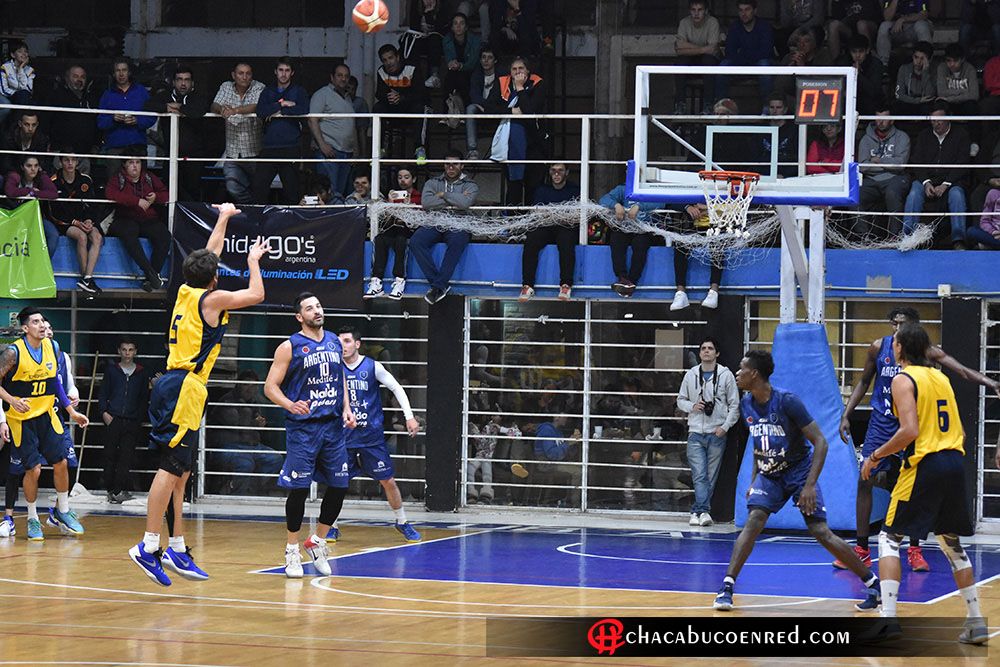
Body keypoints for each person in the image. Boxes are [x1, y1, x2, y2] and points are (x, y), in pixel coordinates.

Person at [128, 203, 268, 587]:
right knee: (171, 466)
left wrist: (224, 216)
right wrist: (253, 260)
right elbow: (256, 294)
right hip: (184, 386)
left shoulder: (186, 291)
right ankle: (148, 545)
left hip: (180, 384)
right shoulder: (211, 300)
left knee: (183, 470)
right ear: (214, 279)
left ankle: (176, 545)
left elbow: (211, 252)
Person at [713, 350, 881, 612]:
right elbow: (760, 443)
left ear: (754, 374)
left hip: (799, 471)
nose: (737, 373)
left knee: (820, 531)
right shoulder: (746, 404)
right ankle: (727, 587)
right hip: (770, 474)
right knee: (754, 520)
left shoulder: (787, 401)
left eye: (741, 368)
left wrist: (809, 485)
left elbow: (821, 442)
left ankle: (872, 583)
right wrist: (754, 480)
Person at [837, 307, 999, 572]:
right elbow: (864, 382)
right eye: (894, 323)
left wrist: (990, 383)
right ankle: (862, 549)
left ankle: (914, 549)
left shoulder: (925, 353)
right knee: (864, 481)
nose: (897, 328)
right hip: (882, 423)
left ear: (914, 326)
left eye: (903, 324)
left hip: (910, 425)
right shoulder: (878, 347)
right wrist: (846, 414)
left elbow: (961, 370)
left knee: (915, 488)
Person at [860, 323, 988, 645]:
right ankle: (976, 622)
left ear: (900, 348)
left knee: (889, 539)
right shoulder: (941, 378)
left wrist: (874, 456)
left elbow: (910, 431)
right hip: (955, 462)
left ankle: (888, 622)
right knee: (950, 543)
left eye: (895, 343)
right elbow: (954, 427)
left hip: (925, 464)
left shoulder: (903, 379)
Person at [263, 293, 356, 579]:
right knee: (299, 489)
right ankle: (292, 550)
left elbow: (340, 377)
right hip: (303, 429)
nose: (316, 311)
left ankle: (317, 541)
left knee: (340, 485)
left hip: (333, 427)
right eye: (309, 308)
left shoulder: (334, 341)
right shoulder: (289, 346)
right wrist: (290, 404)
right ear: (299, 316)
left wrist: (347, 407)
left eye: (318, 306)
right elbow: (270, 387)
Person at [0, 307, 89, 541]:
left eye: (42, 321)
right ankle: (32, 517)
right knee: (34, 470)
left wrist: (72, 412)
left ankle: (63, 510)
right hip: (22, 419)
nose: (41, 325)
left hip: (47, 414)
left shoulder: (53, 346)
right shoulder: (13, 353)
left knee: (62, 462)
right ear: (25, 328)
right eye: (35, 322)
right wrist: (12, 400)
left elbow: (55, 384)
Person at [331, 327, 421, 542]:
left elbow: (396, 388)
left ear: (357, 344)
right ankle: (331, 525)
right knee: (337, 483)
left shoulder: (373, 366)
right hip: (343, 437)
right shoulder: (333, 368)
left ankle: (402, 521)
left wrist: (409, 417)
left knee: (388, 480)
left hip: (371, 437)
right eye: (339, 342)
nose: (342, 346)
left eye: (346, 341)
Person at [675, 337, 739, 527]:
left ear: (717, 353)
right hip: (695, 432)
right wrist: (692, 406)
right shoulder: (691, 375)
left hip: (716, 433)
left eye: (710, 348)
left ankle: (699, 512)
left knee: (710, 476)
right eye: (703, 348)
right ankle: (702, 511)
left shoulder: (726, 375)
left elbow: (734, 405)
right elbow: (680, 400)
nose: (706, 351)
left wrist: (725, 427)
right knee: (699, 475)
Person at [409, 150, 479, 304]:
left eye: (455, 164)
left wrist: (443, 195)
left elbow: (465, 203)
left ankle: (437, 287)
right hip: (435, 222)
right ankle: (440, 285)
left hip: (460, 223)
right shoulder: (432, 182)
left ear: (462, 165)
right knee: (416, 242)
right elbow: (427, 203)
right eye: (447, 164)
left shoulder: (470, 185)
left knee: (457, 242)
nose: (451, 167)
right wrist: (456, 199)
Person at [902, 102, 971, 248]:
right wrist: (926, 182)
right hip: (927, 180)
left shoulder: (961, 135)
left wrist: (946, 184)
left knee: (957, 195)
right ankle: (908, 237)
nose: (936, 123)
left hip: (952, 181)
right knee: (914, 193)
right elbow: (917, 161)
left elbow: (963, 163)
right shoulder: (924, 135)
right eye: (933, 120)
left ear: (948, 118)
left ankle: (958, 239)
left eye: (940, 119)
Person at [209, 370, 282, 495]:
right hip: (230, 446)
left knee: (275, 459)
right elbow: (237, 425)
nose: (250, 389)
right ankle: (238, 495)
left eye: (253, 386)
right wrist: (254, 423)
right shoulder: (227, 401)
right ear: (238, 385)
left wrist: (261, 424)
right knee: (245, 463)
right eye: (245, 384)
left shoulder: (255, 402)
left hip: (253, 447)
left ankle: (252, 489)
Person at [144, 65, 210, 202]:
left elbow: (199, 110)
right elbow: (148, 105)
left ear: (192, 83)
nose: (183, 83)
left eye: (187, 80)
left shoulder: (198, 97)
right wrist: (166, 107)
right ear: (174, 82)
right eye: (179, 79)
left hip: (193, 156)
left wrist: (180, 107)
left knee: (193, 192)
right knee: (169, 190)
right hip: (171, 155)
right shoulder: (165, 96)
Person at [105, 158, 172, 291]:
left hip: (147, 219)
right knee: (129, 232)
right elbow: (110, 194)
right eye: (131, 163)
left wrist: (156, 197)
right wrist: (136, 201)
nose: (135, 166)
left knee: (164, 236)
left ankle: (150, 278)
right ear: (124, 165)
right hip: (124, 218)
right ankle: (150, 273)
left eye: (138, 162)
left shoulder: (149, 177)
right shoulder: (118, 178)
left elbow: (166, 194)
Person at [97, 337, 150, 504]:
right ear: (119, 351)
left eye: (130, 350)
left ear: (135, 352)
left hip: (132, 421)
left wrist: (138, 418)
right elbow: (103, 393)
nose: (127, 353)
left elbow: (144, 398)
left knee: (126, 457)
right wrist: (104, 413)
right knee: (109, 455)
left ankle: (119, 490)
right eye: (124, 349)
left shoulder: (141, 373)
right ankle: (109, 489)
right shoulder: (112, 370)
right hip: (113, 418)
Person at [519, 163, 581, 301]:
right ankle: (527, 285)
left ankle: (566, 285)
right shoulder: (542, 190)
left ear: (567, 172)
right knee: (530, 241)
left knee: (566, 243)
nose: (556, 174)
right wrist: (560, 214)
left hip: (565, 227)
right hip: (546, 226)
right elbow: (538, 213)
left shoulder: (575, 190)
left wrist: (552, 213)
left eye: (560, 170)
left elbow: (575, 215)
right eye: (553, 170)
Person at [252, 57, 308, 205]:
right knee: (259, 188)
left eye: (287, 70)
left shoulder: (299, 91)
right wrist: (281, 104)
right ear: (275, 72)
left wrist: (279, 112)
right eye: (281, 70)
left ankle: (291, 220)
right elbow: (260, 111)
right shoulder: (267, 91)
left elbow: (303, 109)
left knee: (292, 191)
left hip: (291, 147)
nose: (284, 74)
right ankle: (260, 219)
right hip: (269, 147)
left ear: (292, 73)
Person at [49, 153, 106, 294]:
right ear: (60, 162)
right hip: (65, 223)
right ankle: (85, 278)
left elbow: (92, 205)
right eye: (66, 160)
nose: (70, 163)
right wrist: (75, 222)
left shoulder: (85, 180)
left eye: (73, 160)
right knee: (82, 237)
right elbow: (53, 212)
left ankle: (87, 279)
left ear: (77, 162)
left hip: (83, 220)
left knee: (97, 237)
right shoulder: (53, 182)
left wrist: (89, 220)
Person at [211, 62, 265, 205]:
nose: (244, 77)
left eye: (248, 73)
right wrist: (221, 109)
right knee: (233, 187)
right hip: (232, 152)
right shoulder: (226, 86)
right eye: (241, 73)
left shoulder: (258, 86)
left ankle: (254, 210)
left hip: (254, 153)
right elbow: (214, 105)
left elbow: (256, 106)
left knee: (259, 189)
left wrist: (235, 110)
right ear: (233, 75)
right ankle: (251, 207)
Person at [497, 57, 547, 207]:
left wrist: (519, 88)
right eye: (514, 69)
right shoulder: (502, 83)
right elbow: (490, 108)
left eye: (521, 68)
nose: (518, 72)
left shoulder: (538, 84)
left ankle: (530, 221)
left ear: (528, 71)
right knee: (514, 187)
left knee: (533, 186)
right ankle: (513, 220)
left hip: (533, 142)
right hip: (510, 144)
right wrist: (511, 111)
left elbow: (529, 111)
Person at [366, 167, 421, 300]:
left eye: (406, 177)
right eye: (399, 177)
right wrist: (390, 203)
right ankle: (376, 281)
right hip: (393, 227)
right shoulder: (394, 195)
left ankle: (399, 280)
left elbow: (415, 222)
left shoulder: (418, 196)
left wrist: (408, 206)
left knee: (401, 240)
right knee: (379, 239)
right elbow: (387, 220)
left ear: (413, 179)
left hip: (408, 229)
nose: (402, 180)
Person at [857, 108, 911, 238]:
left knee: (892, 193)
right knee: (856, 195)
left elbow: (900, 165)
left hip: (895, 178)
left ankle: (894, 239)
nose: (880, 122)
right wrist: (888, 165)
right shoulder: (866, 139)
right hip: (871, 180)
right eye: (878, 118)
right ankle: (863, 239)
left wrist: (878, 161)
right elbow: (862, 167)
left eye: (884, 119)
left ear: (892, 120)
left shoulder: (902, 137)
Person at [598, 182, 659, 297]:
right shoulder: (623, 189)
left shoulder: (650, 188)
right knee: (616, 238)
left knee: (640, 244)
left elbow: (661, 202)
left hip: (645, 229)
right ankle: (622, 278)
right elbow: (603, 199)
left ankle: (632, 281)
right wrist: (616, 205)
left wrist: (639, 206)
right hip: (626, 228)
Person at [308, 63, 357, 199]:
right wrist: (322, 145)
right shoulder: (322, 94)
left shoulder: (347, 97)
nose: (343, 79)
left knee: (339, 194)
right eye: (339, 75)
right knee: (328, 193)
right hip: (329, 152)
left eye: (346, 76)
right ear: (332, 77)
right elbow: (312, 120)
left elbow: (351, 124)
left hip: (346, 153)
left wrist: (355, 149)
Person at [374, 44, 429, 162]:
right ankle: (380, 148)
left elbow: (421, 93)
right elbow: (379, 94)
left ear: (398, 57)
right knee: (377, 108)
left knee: (420, 107)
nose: (388, 63)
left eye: (391, 58)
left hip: (410, 110)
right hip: (393, 110)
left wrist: (402, 97)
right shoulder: (381, 71)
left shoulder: (411, 68)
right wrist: (389, 97)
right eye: (385, 60)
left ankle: (419, 148)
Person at [714, 0, 774, 103]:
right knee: (723, 66)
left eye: (747, 10)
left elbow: (766, 52)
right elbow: (729, 51)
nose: (743, 13)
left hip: (757, 64)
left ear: (755, 11)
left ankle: (767, 106)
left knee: (765, 65)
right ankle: (721, 105)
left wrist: (743, 54)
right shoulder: (735, 26)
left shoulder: (764, 27)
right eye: (741, 10)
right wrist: (746, 56)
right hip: (739, 63)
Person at [97, 58, 154, 166]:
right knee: (114, 177)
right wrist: (113, 119)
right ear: (113, 74)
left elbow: (152, 117)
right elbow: (100, 122)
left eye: (124, 70)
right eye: (118, 70)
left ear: (129, 72)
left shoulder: (141, 91)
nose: (121, 74)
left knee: (140, 177)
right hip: (114, 148)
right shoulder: (107, 95)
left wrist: (137, 120)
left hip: (137, 147)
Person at [4, 154, 60, 258]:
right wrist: (29, 191)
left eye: (36, 165)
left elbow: (54, 193)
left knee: (53, 235)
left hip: (36, 217)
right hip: (15, 216)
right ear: (22, 167)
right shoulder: (15, 176)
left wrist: (34, 193)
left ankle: (43, 263)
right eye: (29, 166)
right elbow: (10, 191)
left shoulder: (41, 177)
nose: (33, 169)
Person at [47, 65, 100, 171]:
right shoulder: (56, 97)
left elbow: (96, 123)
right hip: (61, 153)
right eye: (75, 76)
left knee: (84, 181)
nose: (79, 80)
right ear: (67, 78)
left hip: (84, 153)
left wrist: (96, 145)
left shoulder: (90, 99)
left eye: (82, 77)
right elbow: (47, 121)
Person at [673, 0, 721, 113]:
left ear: (706, 11)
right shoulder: (684, 22)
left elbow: (713, 50)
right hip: (690, 62)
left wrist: (687, 47)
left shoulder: (712, 22)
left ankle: (708, 105)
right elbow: (678, 48)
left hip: (708, 62)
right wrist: (703, 49)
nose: (696, 13)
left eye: (700, 10)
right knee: (680, 62)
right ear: (689, 11)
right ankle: (680, 105)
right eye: (693, 10)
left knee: (708, 61)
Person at [465, 45, 500, 160]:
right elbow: (474, 95)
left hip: (496, 111)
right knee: (470, 108)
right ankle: (472, 150)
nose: (486, 60)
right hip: (480, 110)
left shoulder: (501, 76)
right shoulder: (476, 75)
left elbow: (499, 98)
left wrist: (487, 107)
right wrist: (483, 106)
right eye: (483, 57)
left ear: (495, 60)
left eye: (490, 57)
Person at [875, 0, 932, 67]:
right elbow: (887, 17)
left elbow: (924, 14)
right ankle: (883, 66)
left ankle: (925, 64)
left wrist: (904, 19)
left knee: (922, 25)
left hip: (914, 28)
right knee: (884, 26)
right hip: (897, 29)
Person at [892, 41, 936, 117]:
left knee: (928, 108)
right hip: (909, 102)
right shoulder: (904, 69)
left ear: (929, 60)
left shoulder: (933, 71)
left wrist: (925, 72)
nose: (918, 61)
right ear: (912, 56)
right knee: (896, 106)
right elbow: (899, 95)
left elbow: (929, 96)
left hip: (925, 105)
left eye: (922, 58)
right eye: (916, 57)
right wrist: (917, 101)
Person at [0, 41, 34, 107]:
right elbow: (3, 89)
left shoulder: (30, 70)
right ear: (13, 55)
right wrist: (16, 93)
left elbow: (29, 89)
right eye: (20, 51)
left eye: (26, 51)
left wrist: (21, 69)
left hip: (24, 96)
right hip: (9, 96)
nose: (24, 54)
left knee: (24, 95)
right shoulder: (5, 67)